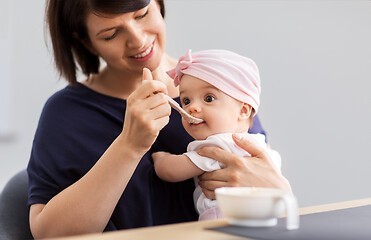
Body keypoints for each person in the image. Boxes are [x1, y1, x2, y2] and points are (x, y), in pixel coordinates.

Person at [27, 0, 292, 238]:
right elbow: (48, 233)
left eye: (142, 14)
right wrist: (130, 145)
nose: (138, 40)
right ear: (85, 41)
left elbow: (271, 192)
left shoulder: (218, 87)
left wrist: (279, 189)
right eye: (111, 34)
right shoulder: (67, 114)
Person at [152, 49, 283, 221]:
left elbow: (171, 171)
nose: (192, 108)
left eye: (208, 98)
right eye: (186, 101)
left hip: (220, 218)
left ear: (243, 110)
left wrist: (160, 158)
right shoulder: (259, 145)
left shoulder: (217, 145)